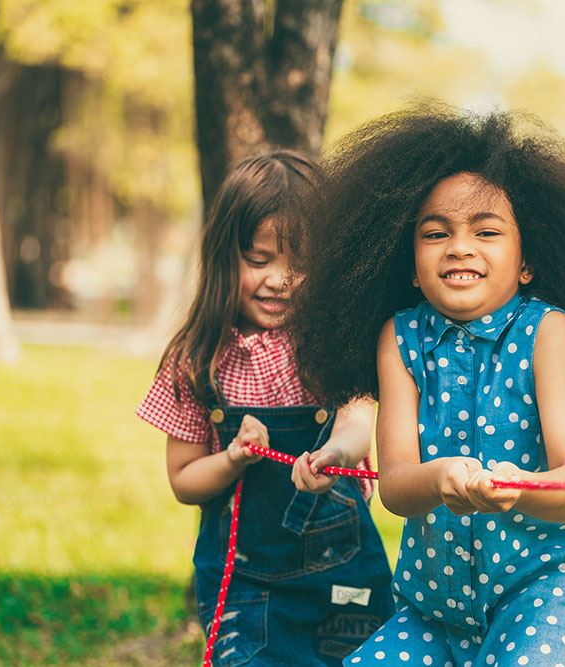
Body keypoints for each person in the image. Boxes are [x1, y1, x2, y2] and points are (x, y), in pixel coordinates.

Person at [291, 105, 565, 667]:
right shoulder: (400, 337)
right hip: (439, 604)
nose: (460, 247)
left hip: (553, 585)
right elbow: (396, 487)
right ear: (409, 264)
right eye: (436, 233)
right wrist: (438, 478)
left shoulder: (546, 332)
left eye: (486, 231)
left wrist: (522, 485)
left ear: (527, 260)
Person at [136, 151, 394, 666]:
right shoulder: (198, 361)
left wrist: (335, 452)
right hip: (245, 587)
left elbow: (358, 420)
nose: (280, 278)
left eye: (300, 264)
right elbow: (183, 480)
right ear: (222, 257)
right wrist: (233, 458)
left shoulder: (334, 346)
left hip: (342, 580)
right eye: (259, 260)